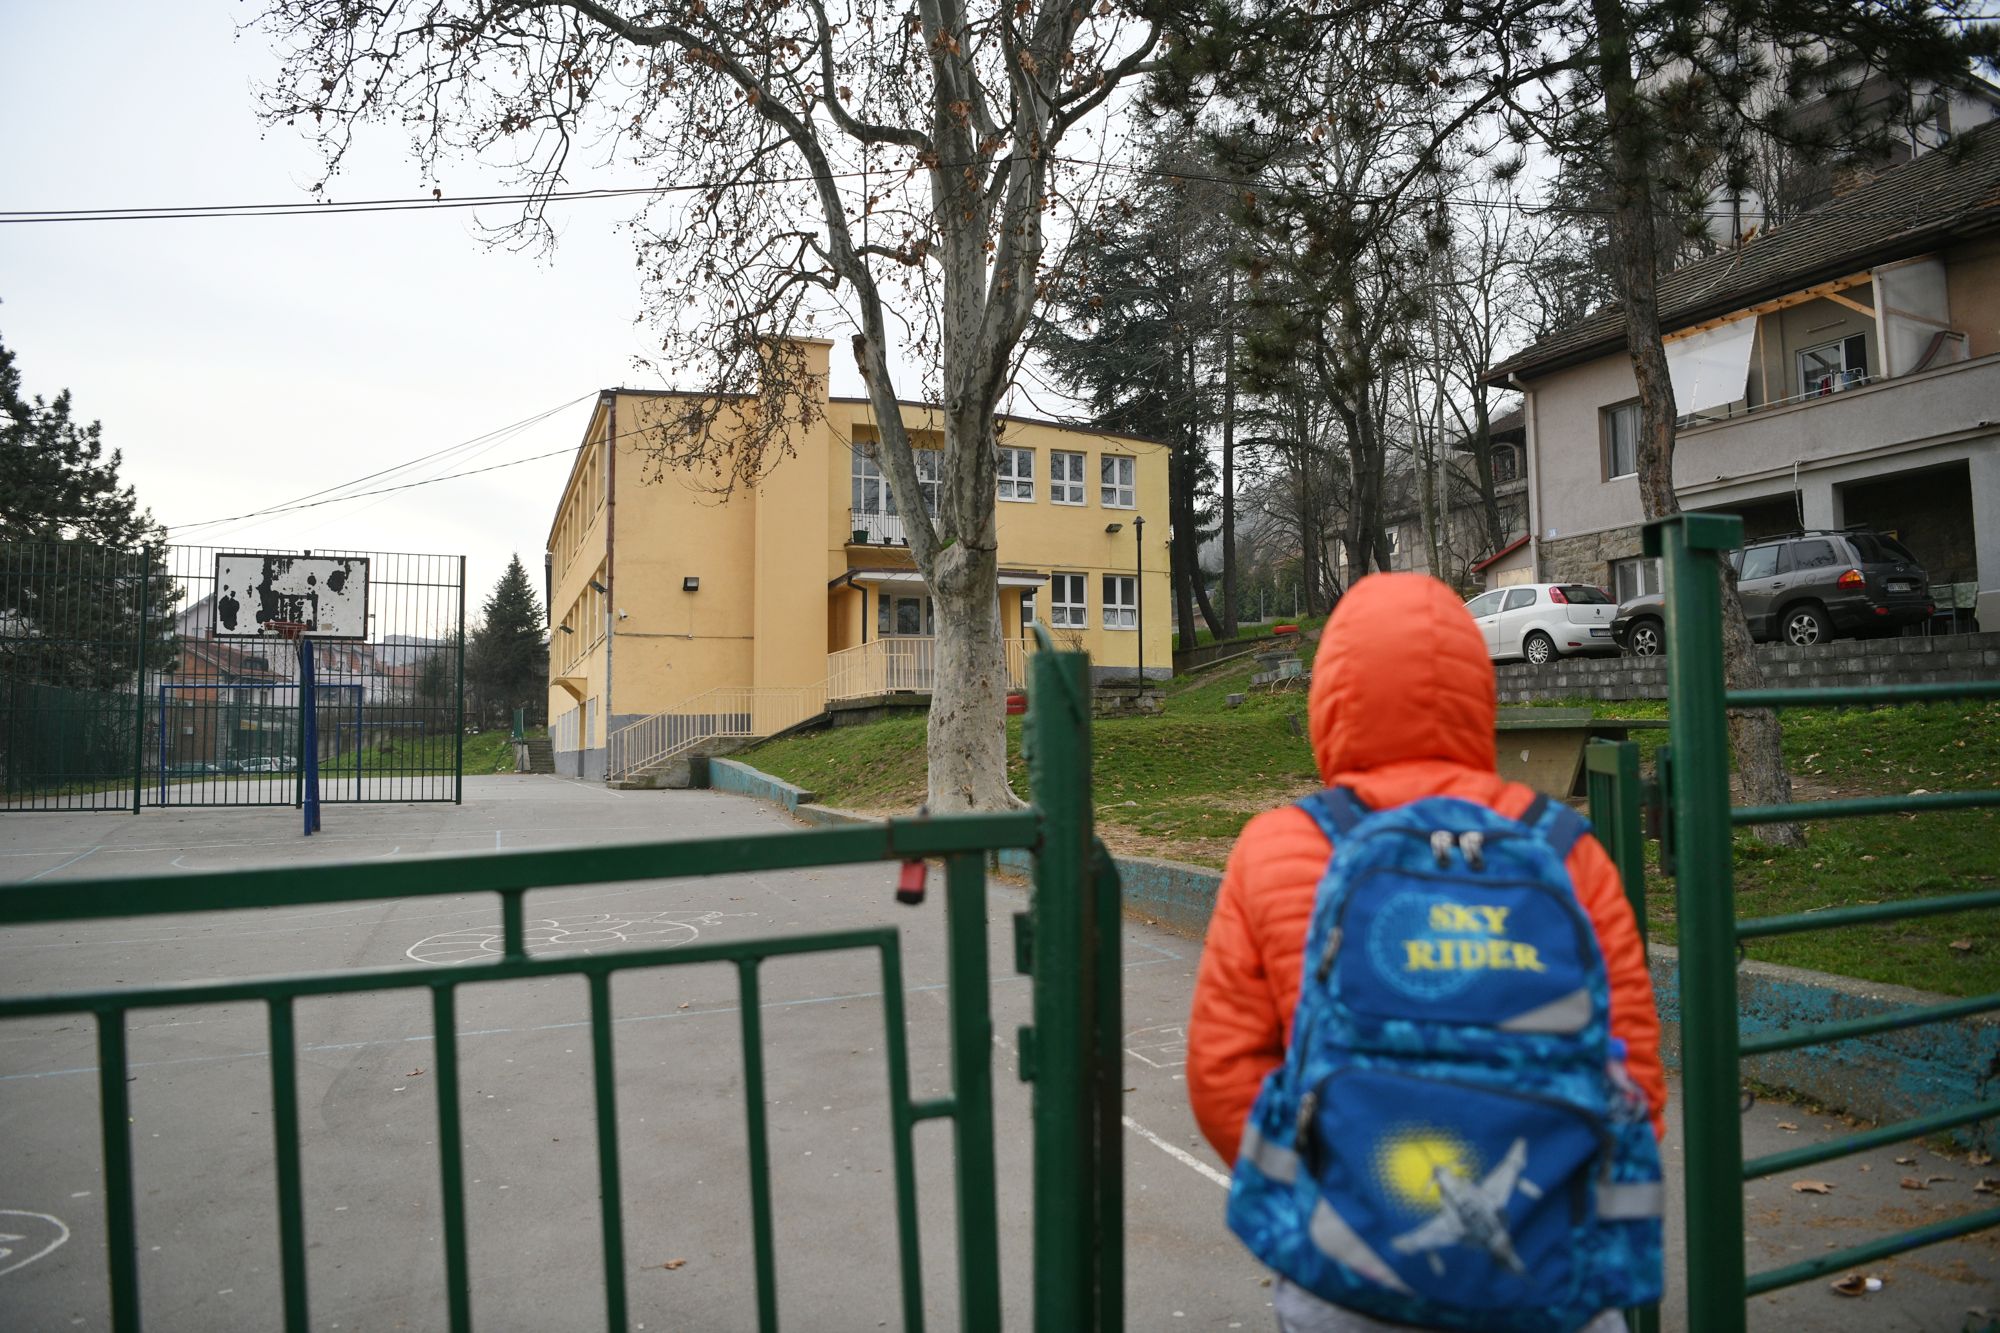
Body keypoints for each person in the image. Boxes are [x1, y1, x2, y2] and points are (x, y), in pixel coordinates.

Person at [1186, 573, 1666, 1333]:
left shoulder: (1277, 847)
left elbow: (1224, 1077)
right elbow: (1633, 1070)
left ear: (1331, 696)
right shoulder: (1564, 848)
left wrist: (1331, 1190)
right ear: (1479, 690)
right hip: (1547, 1282)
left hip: (1347, 1281)